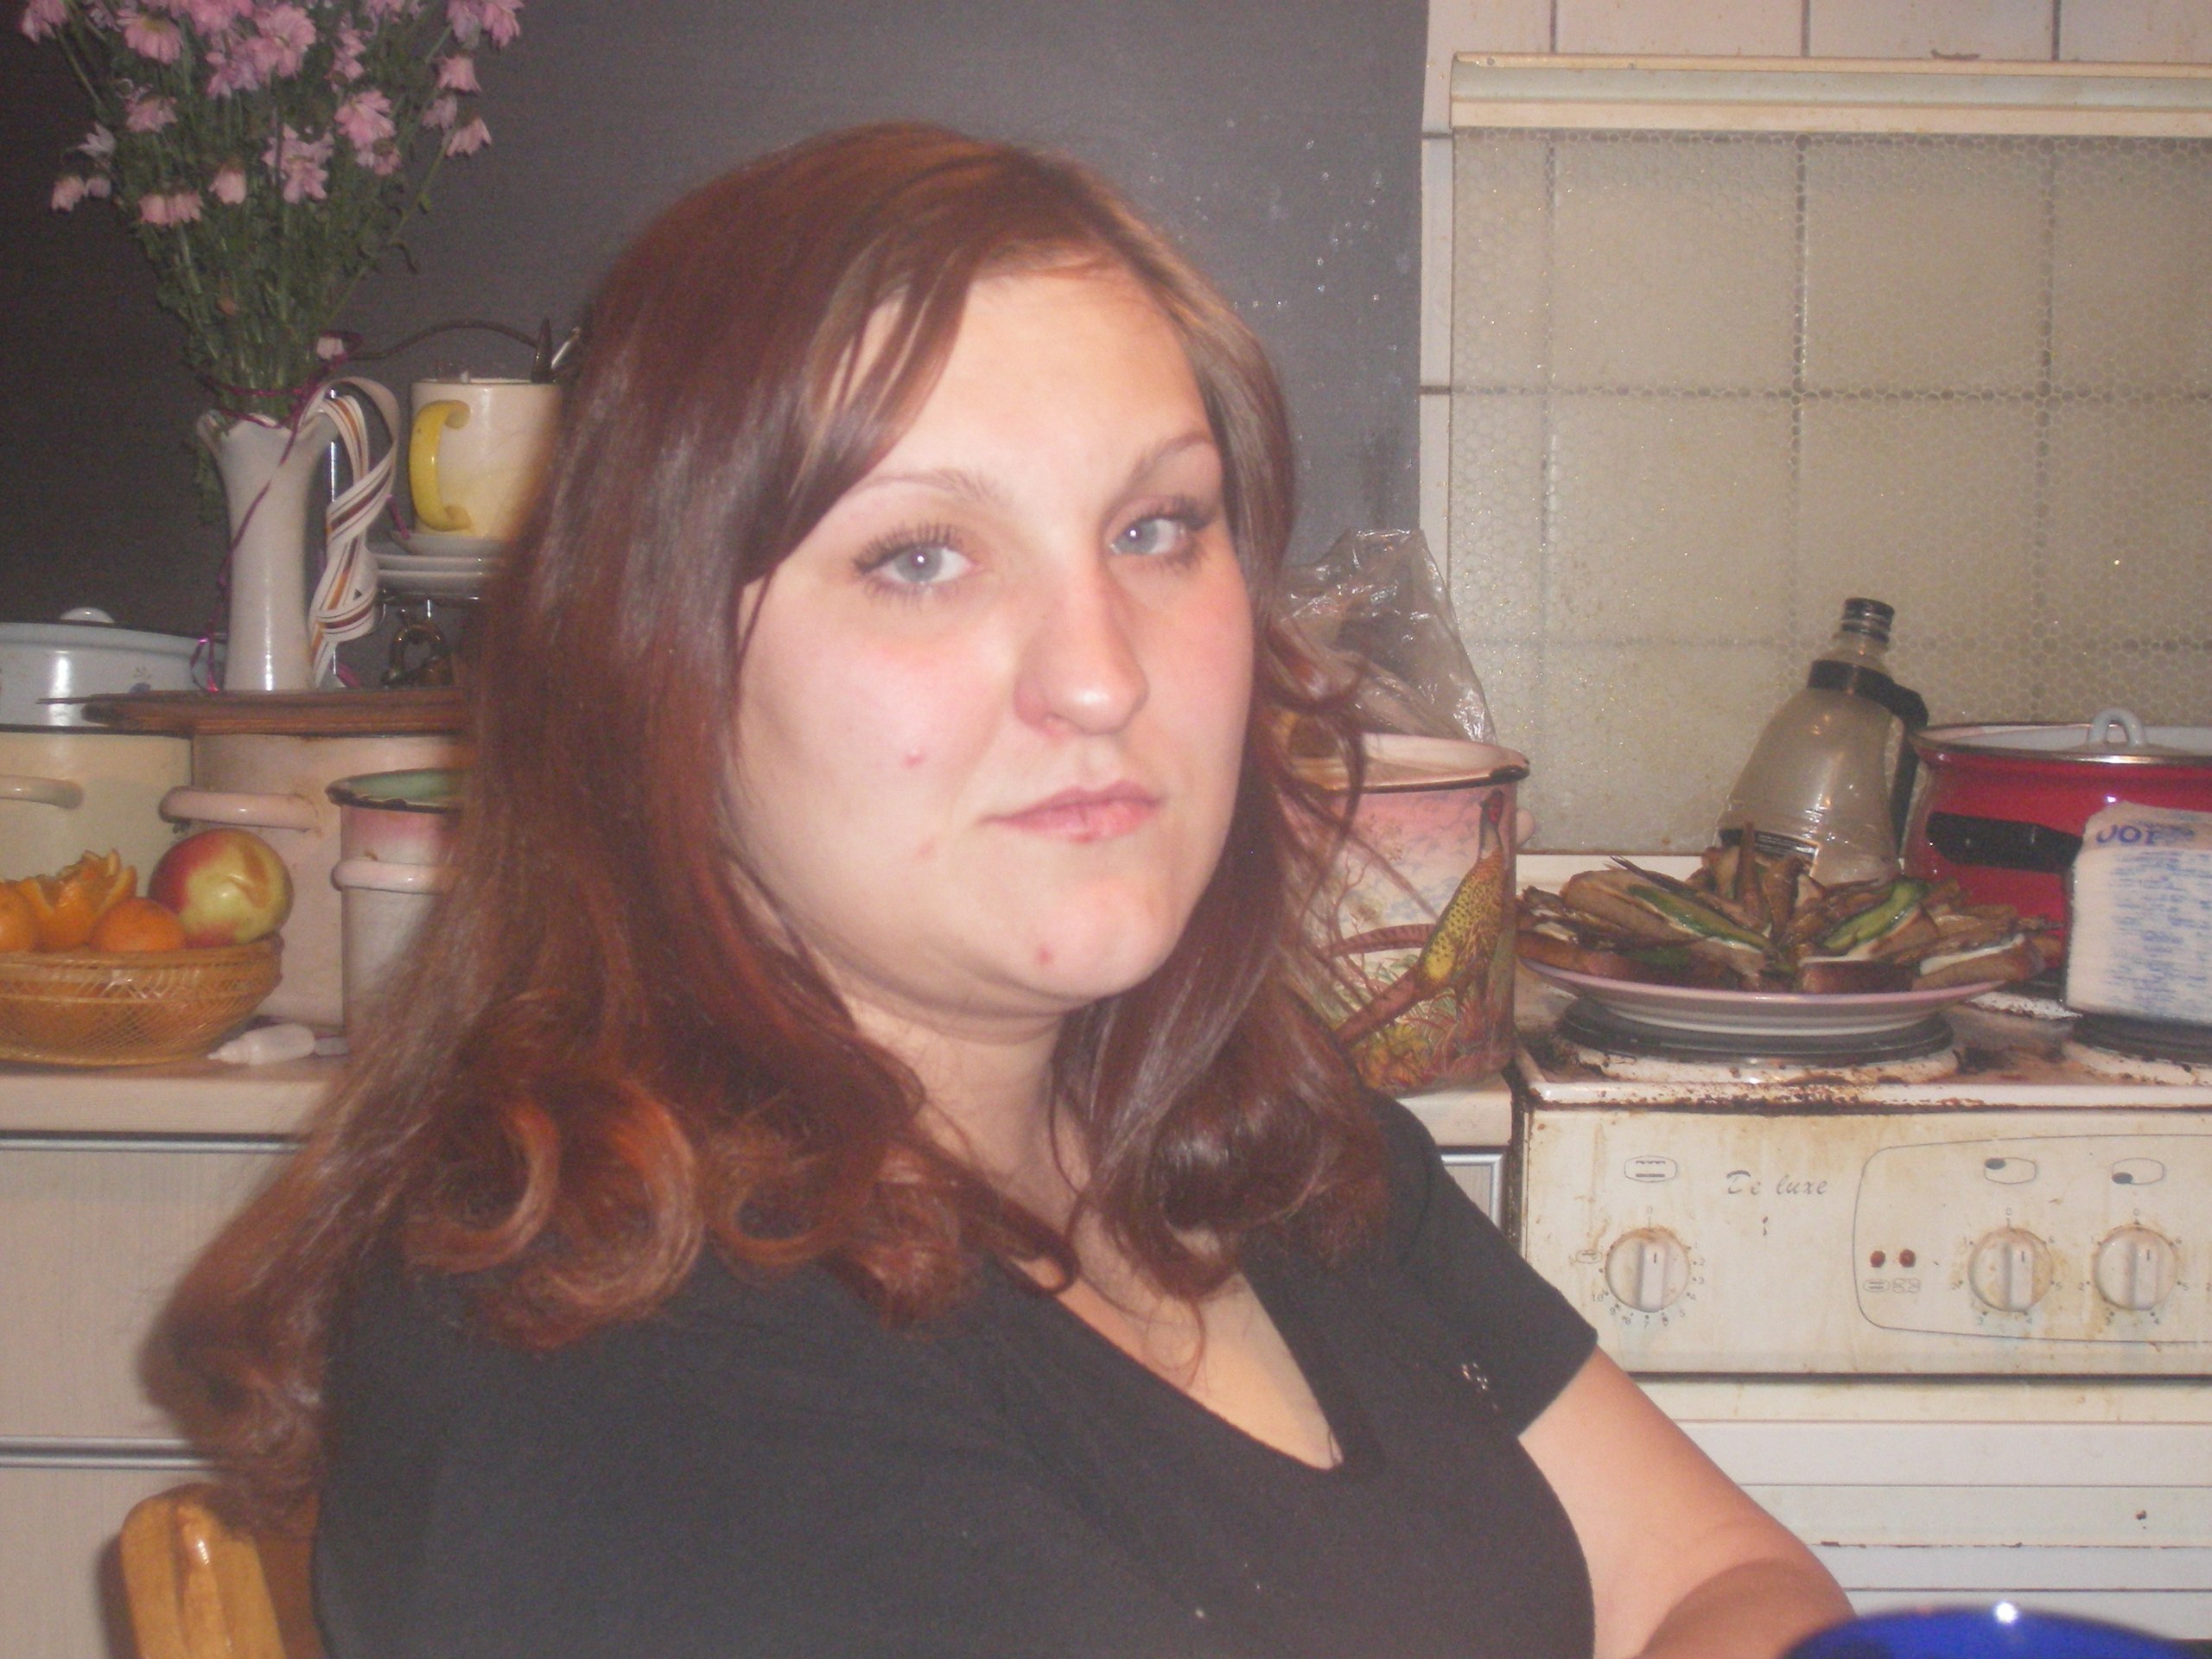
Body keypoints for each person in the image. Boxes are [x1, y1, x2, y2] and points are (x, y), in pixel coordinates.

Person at [164, 124, 1851, 1659]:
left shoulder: (1258, 1143)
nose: (1101, 672)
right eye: (919, 557)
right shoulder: (616, 1374)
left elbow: (1719, 1580)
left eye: (1156, 527)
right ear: (653, 670)